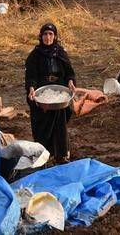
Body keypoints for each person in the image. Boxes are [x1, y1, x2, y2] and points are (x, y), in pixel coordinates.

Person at [25, 23, 76, 164]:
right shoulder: (35, 56)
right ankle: (45, 153)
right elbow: (31, 76)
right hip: (42, 90)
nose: (48, 37)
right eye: (45, 34)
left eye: (51, 34)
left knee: (59, 115)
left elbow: (70, 73)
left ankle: (61, 154)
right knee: (43, 119)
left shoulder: (61, 53)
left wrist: (71, 82)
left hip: (59, 90)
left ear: (55, 36)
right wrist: (31, 88)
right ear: (41, 37)